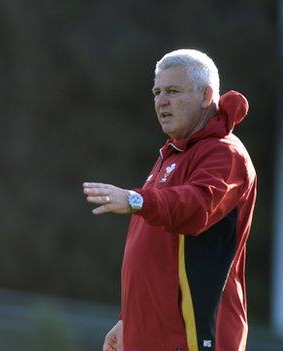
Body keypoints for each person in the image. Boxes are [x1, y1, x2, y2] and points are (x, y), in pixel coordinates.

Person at [83, 49, 256, 351]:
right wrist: (129, 319)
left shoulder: (224, 153)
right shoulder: (172, 154)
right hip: (152, 337)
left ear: (207, 95)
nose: (161, 101)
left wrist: (136, 200)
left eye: (173, 91)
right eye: (157, 91)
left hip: (193, 339)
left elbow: (196, 205)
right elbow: (156, 252)